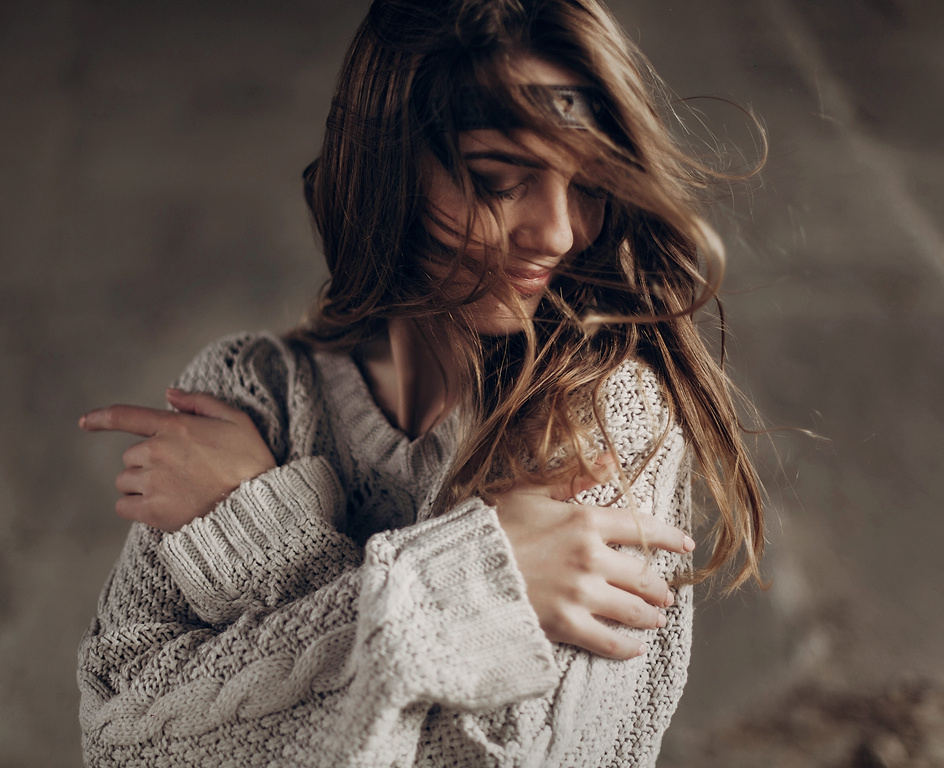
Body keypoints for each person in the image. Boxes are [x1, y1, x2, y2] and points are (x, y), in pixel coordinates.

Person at [76, 0, 765, 765]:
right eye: (499, 181)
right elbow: (114, 739)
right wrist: (466, 595)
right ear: (389, 165)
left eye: (590, 184)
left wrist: (262, 541)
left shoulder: (598, 418)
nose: (559, 231)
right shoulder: (248, 391)